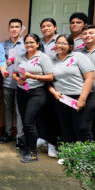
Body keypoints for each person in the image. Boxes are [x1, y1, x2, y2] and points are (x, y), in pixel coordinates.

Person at [49, 35, 95, 166]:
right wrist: (53, 92)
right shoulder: (51, 60)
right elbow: (47, 80)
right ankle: (69, 156)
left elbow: (90, 78)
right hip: (63, 99)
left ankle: (88, 159)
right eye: (58, 43)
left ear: (70, 46)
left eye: (63, 43)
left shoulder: (79, 57)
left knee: (82, 128)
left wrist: (82, 98)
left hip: (82, 97)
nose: (59, 45)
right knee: (66, 128)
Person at [13, 34, 54, 163]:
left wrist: (32, 76)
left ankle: (33, 153)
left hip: (37, 93)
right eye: (26, 42)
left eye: (31, 42)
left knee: (29, 121)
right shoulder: (21, 57)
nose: (29, 45)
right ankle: (27, 148)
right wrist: (17, 79)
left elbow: (50, 77)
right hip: (22, 92)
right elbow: (15, 73)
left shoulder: (43, 57)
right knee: (25, 121)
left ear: (37, 44)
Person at [1, 19, 25, 147]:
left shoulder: (26, 43)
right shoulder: (4, 45)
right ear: (8, 29)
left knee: (20, 110)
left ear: (21, 28)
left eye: (17, 27)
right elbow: (0, 61)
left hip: (21, 83)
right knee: (8, 109)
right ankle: (8, 133)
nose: (14, 29)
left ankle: (20, 137)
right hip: (7, 82)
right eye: (12, 27)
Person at [37, 18, 60, 158]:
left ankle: (52, 144)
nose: (46, 28)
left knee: (53, 114)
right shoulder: (39, 41)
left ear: (55, 27)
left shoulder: (60, 41)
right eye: (43, 26)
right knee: (41, 112)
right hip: (40, 82)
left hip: (55, 82)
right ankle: (43, 137)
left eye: (49, 26)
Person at [75, 25, 95, 141]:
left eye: (91, 33)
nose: (87, 35)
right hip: (85, 95)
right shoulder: (78, 53)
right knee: (84, 127)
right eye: (84, 34)